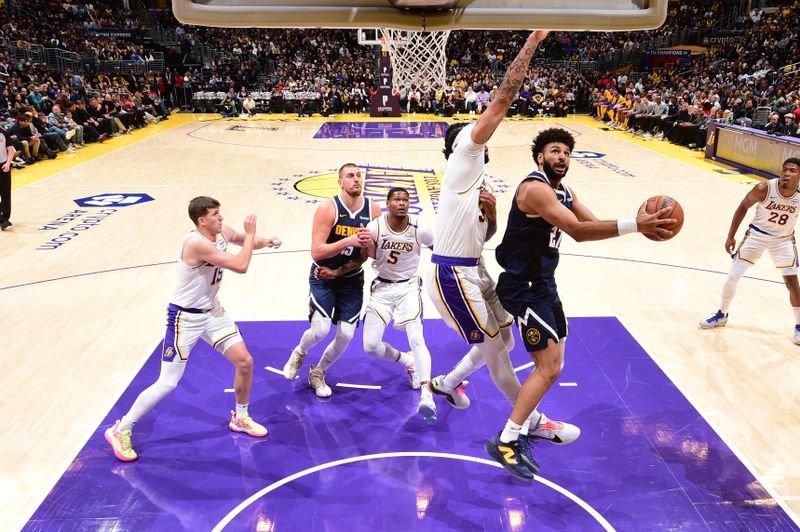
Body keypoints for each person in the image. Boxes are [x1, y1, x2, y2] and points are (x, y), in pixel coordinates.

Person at [423, 30, 577, 465]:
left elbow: (485, 237)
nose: (476, 137)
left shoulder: (480, 181)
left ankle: (448, 382)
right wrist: (532, 42)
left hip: (476, 267)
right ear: (458, 148)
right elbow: (502, 100)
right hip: (453, 274)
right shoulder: (462, 160)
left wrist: (490, 217)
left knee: (506, 341)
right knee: (496, 353)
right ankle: (529, 424)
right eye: (469, 136)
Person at [489, 127, 676, 480]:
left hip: (544, 282)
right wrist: (636, 224)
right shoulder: (535, 189)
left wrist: (641, 227)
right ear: (540, 157)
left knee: (555, 365)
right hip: (523, 286)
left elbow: (590, 225)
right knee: (546, 367)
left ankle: (529, 423)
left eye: (566, 153)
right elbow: (576, 231)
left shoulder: (563, 191)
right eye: (555, 151)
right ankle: (507, 438)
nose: (562, 157)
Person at [105, 196, 282, 461]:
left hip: (212, 313)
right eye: (215, 214)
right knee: (167, 383)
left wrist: (264, 241)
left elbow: (244, 242)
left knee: (244, 362)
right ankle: (122, 428)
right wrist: (252, 233)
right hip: (184, 318)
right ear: (202, 220)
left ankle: (241, 418)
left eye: (220, 213)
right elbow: (241, 265)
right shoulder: (196, 243)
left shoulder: (220, 232)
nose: (221, 218)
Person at [282, 163, 381, 397]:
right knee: (319, 330)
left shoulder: (373, 210)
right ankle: (299, 352)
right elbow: (316, 252)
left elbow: (371, 255)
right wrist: (349, 241)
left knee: (346, 334)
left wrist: (369, 244)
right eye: (350, 176)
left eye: (359, 175)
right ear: (340, 182)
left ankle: (319, 372)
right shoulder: (328, 208)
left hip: (351, 277)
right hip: (322, 274)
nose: (356, 179)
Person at [700, 158, 800, 345]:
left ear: (799, 175)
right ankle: (722, 314)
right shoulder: (764, 189)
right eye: (784, 169)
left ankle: (799, 326)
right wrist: (731, 236)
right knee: (733, 275)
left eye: (792, 171)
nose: (787, 173)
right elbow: (743, 207)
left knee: (792, 282)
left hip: (783, 240)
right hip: (757, 235)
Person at [356, 187, 435, 418]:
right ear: (388, 203)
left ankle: (426, 392)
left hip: (408, 287)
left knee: (416, 336)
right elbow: (367, 256)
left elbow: (438, 249)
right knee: (370, 346)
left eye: (405, 199)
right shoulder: (375, 226)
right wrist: (362, 244)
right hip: (381, 288)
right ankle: (407, 360)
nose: (402, 203)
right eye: (397, 199)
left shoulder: (420, 227)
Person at [0, 126, 16, 230]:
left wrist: (8, 163)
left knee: (5, 193)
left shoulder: (4, 133)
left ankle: (5, 219)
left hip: (3, 166)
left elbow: (11, 150)